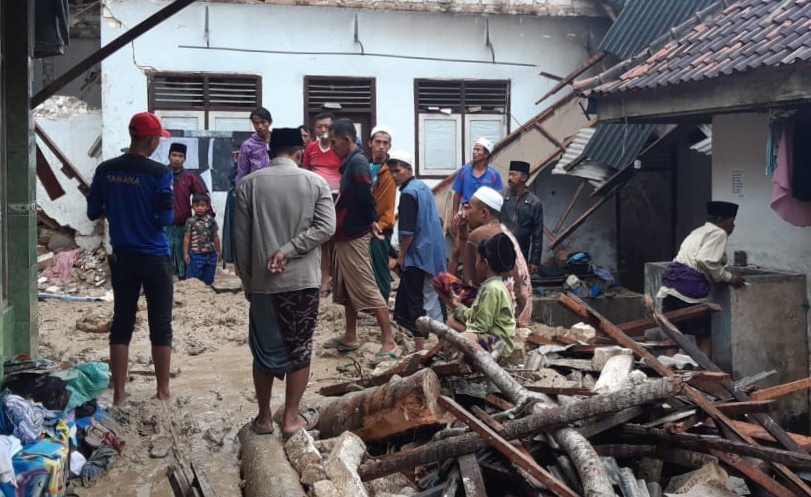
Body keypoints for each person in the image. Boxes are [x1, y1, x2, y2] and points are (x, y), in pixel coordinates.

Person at [234, 128, 336, 438]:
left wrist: (248, 282)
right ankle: (291, 418)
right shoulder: (316, 182)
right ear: (299, 153)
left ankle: (264, 418)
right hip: (303, 282)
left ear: (269, 152)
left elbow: (241, 241)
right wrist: (291, 249)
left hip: (264, 283)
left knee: (264, 351)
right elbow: (327, 228)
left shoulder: (248, 185)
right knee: (299, 348)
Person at [86, 112, 174, 405]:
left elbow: (92, 211)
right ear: (150, 139)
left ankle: (120, 395)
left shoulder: (105, 170)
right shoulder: (160, 173)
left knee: (122, 322)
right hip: (155, 257)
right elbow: (166, 218)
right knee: (160, 324)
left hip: (122, 257)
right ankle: (162, 392)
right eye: (157, 140)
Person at [324, 118, 398, 360]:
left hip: (355, 234)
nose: (331, 146)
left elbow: (367, 197)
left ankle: (389, 341)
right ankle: (350, 336)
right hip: (343, 234)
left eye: (333, 142)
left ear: (346, 140)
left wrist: (373, 221)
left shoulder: (357, 165)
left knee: (367, 286)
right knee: (344, 288)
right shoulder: (353, 162)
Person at [657, 201, 746, 358]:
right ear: (720, 220)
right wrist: (728, 277)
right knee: (703, 333)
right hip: (689, 289)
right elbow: (706, 260)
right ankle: (706, 371)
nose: (733, 226)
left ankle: (669, 372)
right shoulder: (719, 233)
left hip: (671, 286)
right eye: (731, 222)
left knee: (673, 332)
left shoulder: (698, 231)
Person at [434, 186, 533, 327]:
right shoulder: (504, 230)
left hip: (504, 310)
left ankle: (473, 324)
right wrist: (463, 231)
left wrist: (458, 306)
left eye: (469, 208)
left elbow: (469, 281)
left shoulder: (479, 234)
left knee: (441, 280)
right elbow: (469, 258)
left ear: (483, 213)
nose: (466, 213)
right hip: (521, 308)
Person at [389, 151, 447, 351]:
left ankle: (423, 348)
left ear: (409, 169)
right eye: (392, 172)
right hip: (434, 253)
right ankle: (442, 344)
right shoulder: (423, 187)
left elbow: (407, 232)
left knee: (416, 302)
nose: (394, 175)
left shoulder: (407, 194)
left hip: (418, 256)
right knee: (432, 297)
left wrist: (402, 256)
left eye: (397, 171)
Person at [447, 233, 517, 358]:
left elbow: (480, 326)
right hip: (490, 336)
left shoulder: (492, 289)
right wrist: (458, 307)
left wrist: (465, 334)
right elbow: (476, 316)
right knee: (451, 325)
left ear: (485, 263)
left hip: (498, 342)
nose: (475, 264)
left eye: (477, 259)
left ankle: (455, 360)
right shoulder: (492, 285)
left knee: (459, 338)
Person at [449, 138, 503, 275]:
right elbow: (457, 195)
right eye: (474, 149)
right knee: (457, 250)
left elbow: (497, 198)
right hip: (466, 212)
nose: (474, 152)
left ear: (486, 154)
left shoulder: (494, 175)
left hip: (484, 216)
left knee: (483, 250)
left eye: (478, 150)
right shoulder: (464, 171)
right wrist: (454, 214)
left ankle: (477, 281)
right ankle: (448, 284)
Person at [303, 112, 342, 298]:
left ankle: (338, 279)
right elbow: (306, 171)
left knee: (338, 240)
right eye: (319, 127)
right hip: (316, 198)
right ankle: (324, 280)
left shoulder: (339, 148)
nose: (323, 130)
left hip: (337, 197)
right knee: (322, 240)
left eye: (327, 126)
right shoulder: (311, 148)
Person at [165, 142, 209, 279]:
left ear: (184, 159)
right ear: (169, 157)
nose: (177, 159)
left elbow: (202, 197)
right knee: (162, 258)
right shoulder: (161, 175)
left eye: (180, 156)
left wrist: (205, 218)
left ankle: (184, 283)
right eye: (174, 155)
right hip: (163, 226)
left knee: (185, 258)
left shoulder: (189, 177)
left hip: (183, 226)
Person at [500, 160, 544, 274]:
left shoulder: (534, 203)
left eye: (514, 175)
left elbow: (537, 235)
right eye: (509, 174)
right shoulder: (502, 197)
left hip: (521, 252)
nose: (510, 177)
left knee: (519, 285)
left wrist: (534, 260)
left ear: (524, 177)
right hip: (501, 248)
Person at [368, 125, 396, 301]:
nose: (381, 146)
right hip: (366, 224)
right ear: (370, 143)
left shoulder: (391, 170)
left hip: (381, 226)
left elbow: (388, 204)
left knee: (380, 270)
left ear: (389, 147)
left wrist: (381, 225)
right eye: (377, 142)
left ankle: (381, 306)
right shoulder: (367, 166)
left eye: (385, 143)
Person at [183, 193, 221, 285]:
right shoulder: (190, 221)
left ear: (208, 207)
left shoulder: (211, 221)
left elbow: (215, 236)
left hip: (210, 255)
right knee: (192, 280)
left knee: (208, 281)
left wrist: (219, 251)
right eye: (197, 205)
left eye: (202, 205)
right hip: (196, 255)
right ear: (192, 207)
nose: (199, 208)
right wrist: (186, 253)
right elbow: (187, 238)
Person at [236, 107, 272, 187]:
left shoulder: (278, 142)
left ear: (269, 122)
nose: (260, 126)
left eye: (263, 122)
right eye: (256, 123)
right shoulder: (248, 145)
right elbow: (242, 172)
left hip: (276, 186)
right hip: (256, 188)